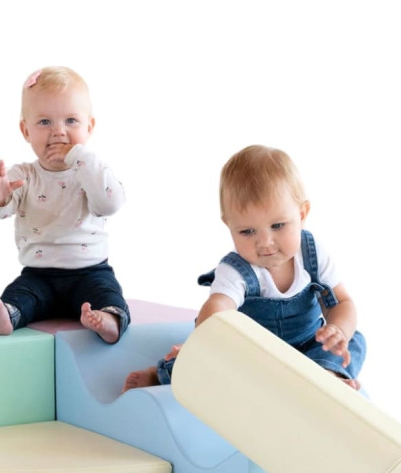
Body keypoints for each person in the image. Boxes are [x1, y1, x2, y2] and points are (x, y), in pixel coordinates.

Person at [123, 145, 366, 391]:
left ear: (302, 214)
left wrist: (338, 330)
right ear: (229, 225)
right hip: (253, 356)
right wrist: (201, 342)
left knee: (354, 339)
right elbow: (218, 307)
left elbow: (342, 302)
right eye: (247, 231)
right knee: (213, 351)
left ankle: (326, 376)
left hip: (307, 350)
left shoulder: (312, 254)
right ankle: (164, 374)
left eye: (278, 226)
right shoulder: (236, 270)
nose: (265, 242)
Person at [0, 66, 130, 343]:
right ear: (26, 130)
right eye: (45, 122)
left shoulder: (92, 171)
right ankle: (7, 315)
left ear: (89, 127)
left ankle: (109, 319)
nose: (58, 132)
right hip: (38, 276)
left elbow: (111, 204)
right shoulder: (23, 175)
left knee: (107, 295)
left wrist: (80, 157)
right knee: (21, 295)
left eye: (71, 121)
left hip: (91, 272)